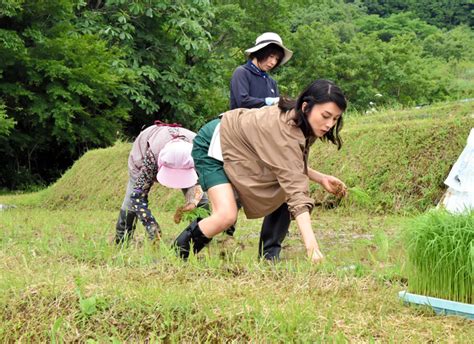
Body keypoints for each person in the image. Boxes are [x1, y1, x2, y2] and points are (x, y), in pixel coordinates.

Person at [173, 79, 348, 262]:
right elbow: (295, 188)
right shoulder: (285, 130)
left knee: (282, 186)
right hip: (214, 146)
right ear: (306, 107)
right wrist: (312, 248)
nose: (329, 124)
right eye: (326, 115)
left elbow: (290, 166)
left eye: (335, 119)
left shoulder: (303, 124)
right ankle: (176, 256)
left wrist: (320, 178)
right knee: (225, 216)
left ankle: (269, 258)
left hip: (243, 152)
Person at [229, 32, 295, 260]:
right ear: (260, 52)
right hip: (239, 138)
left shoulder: (271, 82)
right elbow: (241, 102)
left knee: (282, 188)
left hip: (264, 140)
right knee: (233, 193)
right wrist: (269, 102)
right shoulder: (242, 73)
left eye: (276, 59)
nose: (272, 62)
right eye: (270, 57)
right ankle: (218, 233)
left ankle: (270, 252)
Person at [114, 121, 207, 244]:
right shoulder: (151, 157)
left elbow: (200, 182)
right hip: (145, 154)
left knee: (202, 202)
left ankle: (198, 239)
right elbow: (137, 196)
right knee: (130, 203)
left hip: (187, 160)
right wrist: (150, 223)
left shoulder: (199, 151)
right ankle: (121, 241)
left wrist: (193, 202)